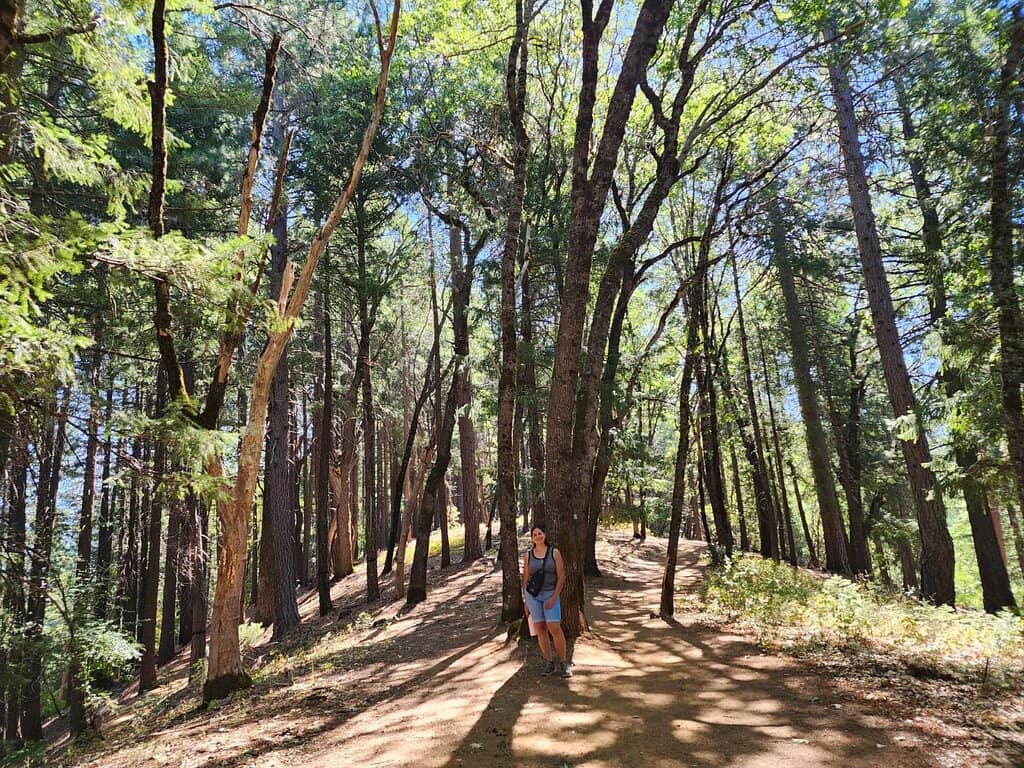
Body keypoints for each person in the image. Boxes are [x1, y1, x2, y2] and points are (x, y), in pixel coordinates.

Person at [521, 523, 572, 678]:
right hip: (533, 597)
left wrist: (554, 597)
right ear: (532, 538)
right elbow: (526, 578)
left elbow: (561, 576)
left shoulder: (554, 553)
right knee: (540, 629)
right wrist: (526, 601)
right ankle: (549, 663)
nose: (538, 536)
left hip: (551, 594)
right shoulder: (528, 555)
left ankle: (563, 663)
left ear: (545, 535)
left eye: (540, 533)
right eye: (535, 534)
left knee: (554, 627)